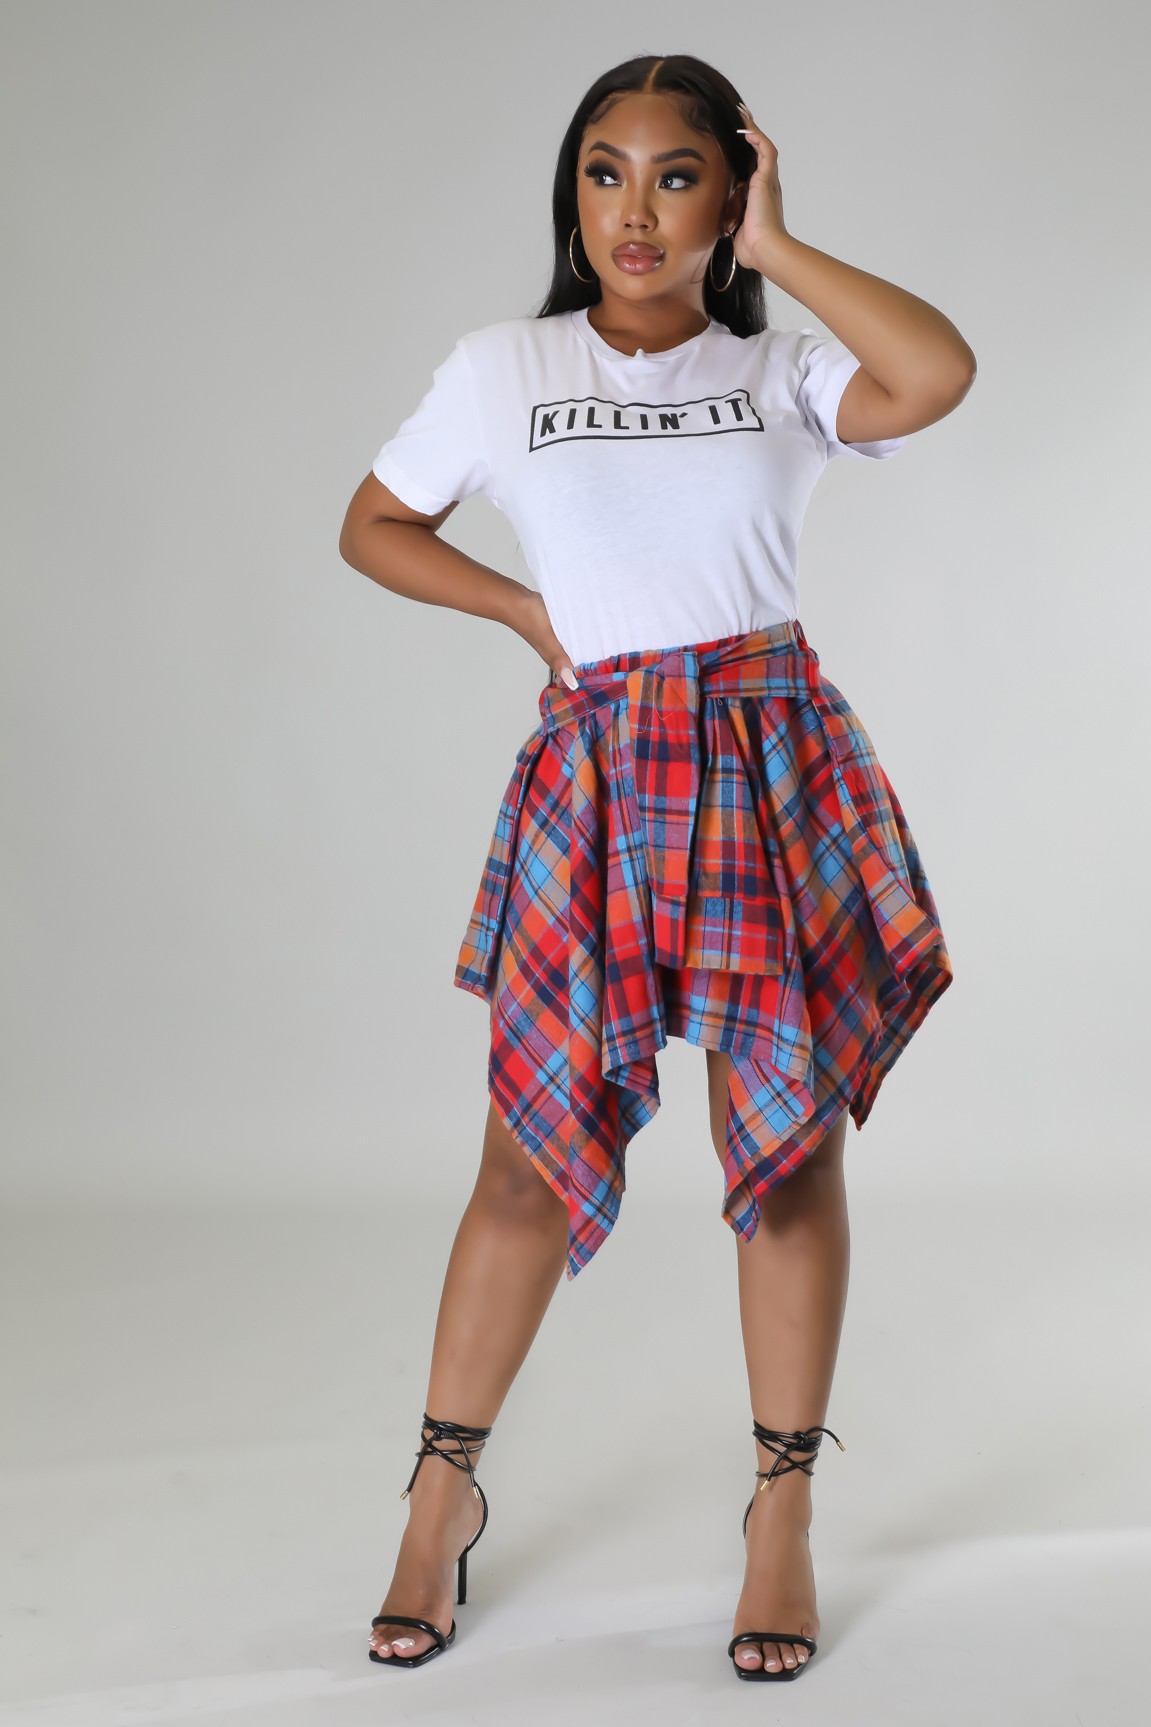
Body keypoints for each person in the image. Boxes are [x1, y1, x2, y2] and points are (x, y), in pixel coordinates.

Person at [338, 51, 973, 1683]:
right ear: (572, 194)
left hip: (768, 764)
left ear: (729, 194)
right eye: (605, 173)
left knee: (790, 1152)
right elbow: (375, 525)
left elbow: (938, 372)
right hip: (603, 770)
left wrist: (784, 251)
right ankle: (437, 1500)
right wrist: (525, 614)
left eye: (679, 176)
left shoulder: (782, 375)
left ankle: (782, 1514)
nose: (636, 210)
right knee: (524, 1160)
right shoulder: (504, 367)